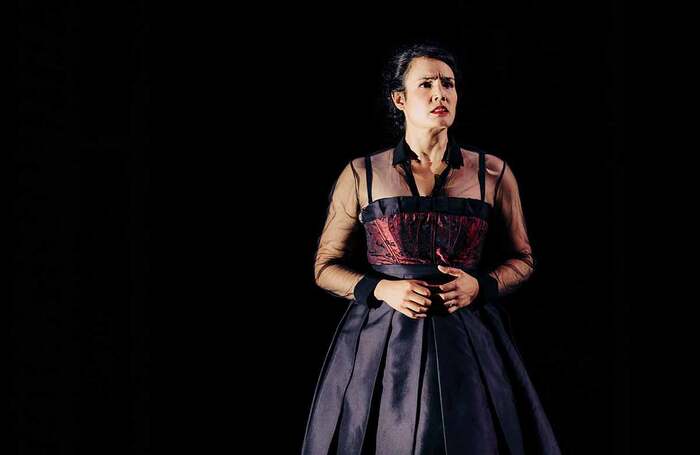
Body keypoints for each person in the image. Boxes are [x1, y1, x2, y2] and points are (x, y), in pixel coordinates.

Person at [301, 43, 562, 455]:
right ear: (400, 99)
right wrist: (382, 289)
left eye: (448, 84)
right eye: (427, 84)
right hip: (382, 343)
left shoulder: (493, 172)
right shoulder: (361, 173)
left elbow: (524, 259)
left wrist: (482, 285)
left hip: (468, 339)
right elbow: (324, 266)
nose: (441, 93)